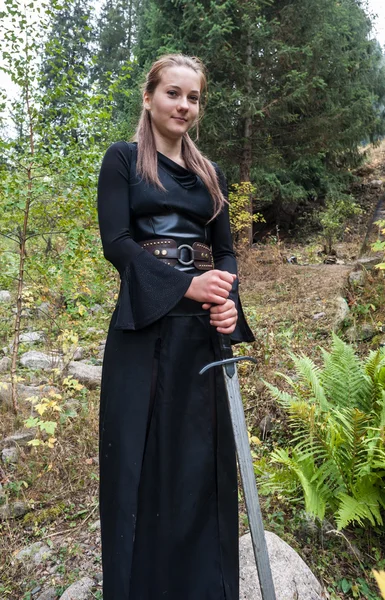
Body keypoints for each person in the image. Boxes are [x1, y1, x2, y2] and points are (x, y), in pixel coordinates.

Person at [97, 53, 255, 600]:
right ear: (149, 97)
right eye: (173, 93)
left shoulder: (211, 175)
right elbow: (116, 242)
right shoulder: (122, 161)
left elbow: (227, 254)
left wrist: (227, 301)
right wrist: (184, 284)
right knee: (138, 460)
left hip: (202, 336)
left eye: (193, 98)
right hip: (143, 329)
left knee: (197, 465)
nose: (184, 105)